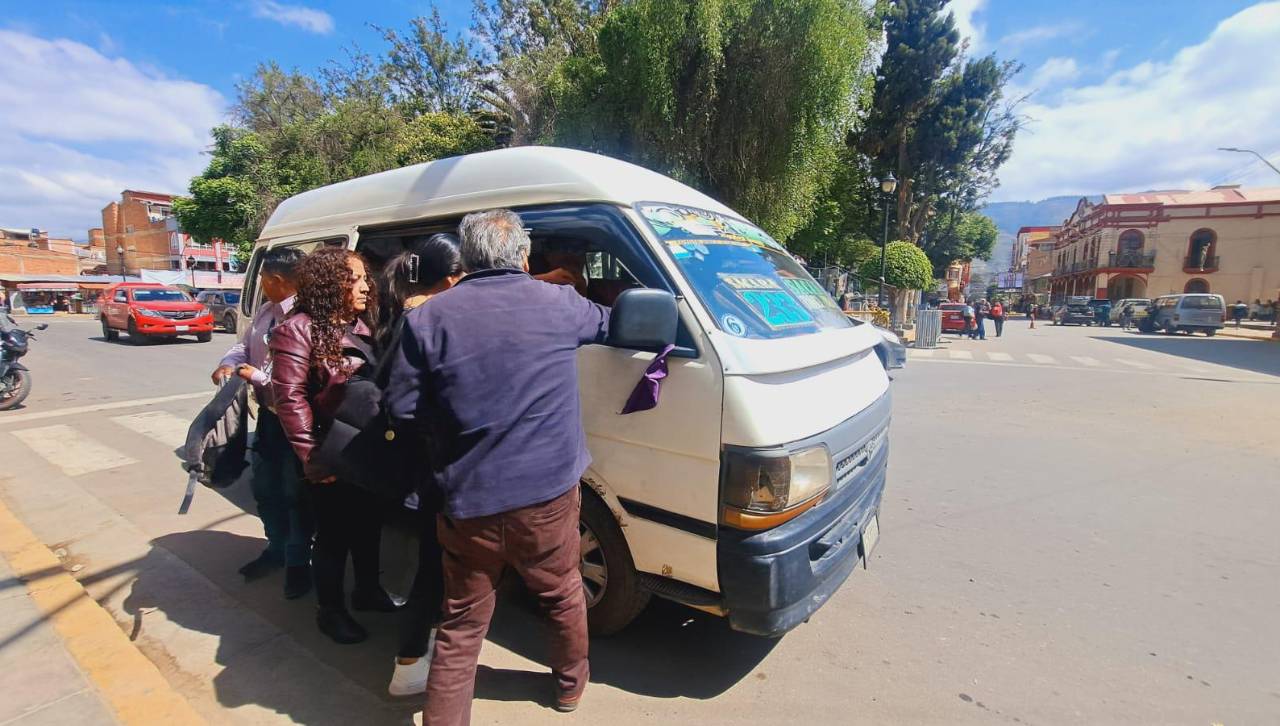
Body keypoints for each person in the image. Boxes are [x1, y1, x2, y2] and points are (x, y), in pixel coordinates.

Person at [386, 209, 609, 724]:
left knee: (461, 627)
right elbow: (612, 323)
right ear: (525, 256)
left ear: (465, 258)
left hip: (467, 501)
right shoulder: (560, 304)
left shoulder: (426, 319)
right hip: (547, 500)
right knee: (562, 593)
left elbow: (401, 409)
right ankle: (570, 689)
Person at [270, 246, 398, 644]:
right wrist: (313, 458)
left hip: (367, 448)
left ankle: (367, 590)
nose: (365, 287)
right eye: (355, 279)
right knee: (333, 536)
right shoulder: (298, 329)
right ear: (330, 284)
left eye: (365, 278)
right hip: (331, 452)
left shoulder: (363, 326)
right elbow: (289, 398)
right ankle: (331, 609)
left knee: (368, 526)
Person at [380, 234, 464, 698]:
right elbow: (405, 402)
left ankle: (416, 652)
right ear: (452, 279)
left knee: (433, 562)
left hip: (418, 459)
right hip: (429, 460)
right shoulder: (425, 318)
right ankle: (411, 661)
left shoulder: (411, 311)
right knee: (433, 566)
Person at [210, 247, 313, 598]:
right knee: (266, 489)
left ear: (274, 280)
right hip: (270, 421)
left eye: (263, 281)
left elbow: (296, 383)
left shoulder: (305, 316)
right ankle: (276, 550)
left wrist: (254, 376)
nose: (262, 287)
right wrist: (229, 363)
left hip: (297, 425)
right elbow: (244, 347)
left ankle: (299, 563)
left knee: (296, 496)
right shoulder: (267, 312)